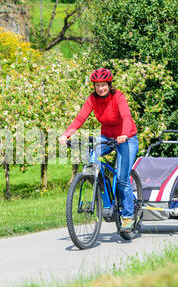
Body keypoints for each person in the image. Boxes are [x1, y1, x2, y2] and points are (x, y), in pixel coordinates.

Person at [59, 68, 139, 231]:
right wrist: (66, 134)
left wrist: (124, 134)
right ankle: (101, 186)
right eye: (97, 85)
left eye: (103, 85)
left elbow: (126, 117)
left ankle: (128, 216)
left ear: (109, 85)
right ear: (94, 86)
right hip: (107, 137)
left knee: (123, 179)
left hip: (126, 138)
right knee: (92, 159)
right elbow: (80, 118)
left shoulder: (118, 97)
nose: (101, 88)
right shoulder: (92, 99)